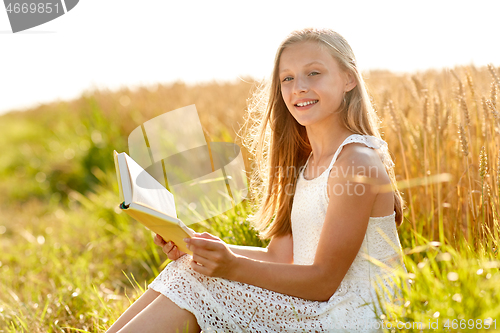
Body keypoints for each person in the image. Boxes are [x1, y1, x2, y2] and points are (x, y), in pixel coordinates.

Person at [107, 27, 406, 333]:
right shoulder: (306, 163)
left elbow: (324, 282)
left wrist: (232, 266)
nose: (298, 87)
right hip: (318, 306)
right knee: (186, 268)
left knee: (196, 283)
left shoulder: (356, 162)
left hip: (352, 317)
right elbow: (280, 256)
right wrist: (203, 249)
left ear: (348, 79)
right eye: (287, 78)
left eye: (314, 73)